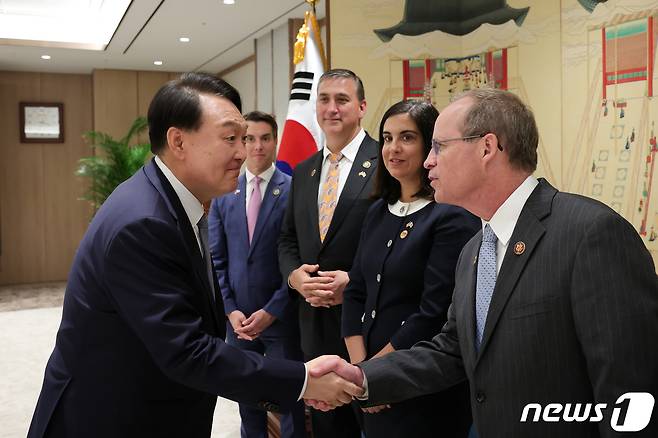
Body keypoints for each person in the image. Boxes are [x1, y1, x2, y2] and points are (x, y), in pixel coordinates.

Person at [27, 72, 361, 438]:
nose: (243, 152)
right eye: (231, 138)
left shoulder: (175, 201)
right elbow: (187, 352)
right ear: (178, 141)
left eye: (245, 138)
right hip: (113, 416)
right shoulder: (143, 224)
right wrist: (303, 380)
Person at [310, 88, 658, 437]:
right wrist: (365, 376)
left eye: (439, 147)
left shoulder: (590, 234)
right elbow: (455, 350)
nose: (429, 160)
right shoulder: (474, 250)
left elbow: (631, 392)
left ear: (487, 148)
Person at [341, 100, 478, 437]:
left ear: (431, 146)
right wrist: (363, 371)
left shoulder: (450, 215)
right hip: (369, 383)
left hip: (421, 386)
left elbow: (433, 312)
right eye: (387, 138)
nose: (393, 149)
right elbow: (356, 291)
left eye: (406, 138)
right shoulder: (375, 212)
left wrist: (377, 374)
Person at [278, 68, 378, 438]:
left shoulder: (385, 161)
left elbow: (400, 241)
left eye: (342, 99)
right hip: (313, 323)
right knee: (327, 423)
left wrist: (354, 281)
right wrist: (295, 278)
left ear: (362, 106)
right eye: (324, 99)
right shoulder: (303, 171)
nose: (331, 108)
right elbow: (287, 239)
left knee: (373, 419)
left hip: (367, 323)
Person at [208, 110, 305, 438]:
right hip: (238, 321)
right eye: (249, 138)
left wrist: (272, 311)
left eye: (265, 138)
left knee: (289, 397)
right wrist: (230, 310)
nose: (257, 146)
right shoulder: (224, 192)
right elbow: (216, 259)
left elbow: (296, 259)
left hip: (280, 317)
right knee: (246, 397)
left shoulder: (294, 191)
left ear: (276, 141)